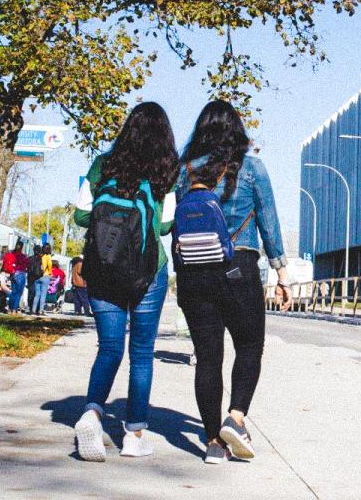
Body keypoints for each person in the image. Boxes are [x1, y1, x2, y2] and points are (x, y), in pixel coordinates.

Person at [175, 101, 292, 465]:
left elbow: (179, 224)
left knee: (208, 358)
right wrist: (281, 273)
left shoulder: (185, 172)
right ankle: (236, 418)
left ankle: (213, 442)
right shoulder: (252, 167)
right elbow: (269, 221)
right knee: (249, 346)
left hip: (194, 273)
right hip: (238, 267)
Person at [72, 102, 179, 461]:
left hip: (102, 267)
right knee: (142, 354)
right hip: (148, 271)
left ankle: (91, 412)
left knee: (109, 347)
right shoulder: (167, 170)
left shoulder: (103, 164)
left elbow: (81, 214)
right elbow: (165, 226)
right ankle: (134, 435)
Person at [2, 241, 29, 314]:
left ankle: (10, 309)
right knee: (18, 293)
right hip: (20, 274)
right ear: (22, 247)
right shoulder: (22, 256)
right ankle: (14, 309)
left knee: (13, 292)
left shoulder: (11, 254)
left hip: (12, 274)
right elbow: (26, 265)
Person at [31, 244, 53, 315]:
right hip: (45, 276)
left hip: (37, 277)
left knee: (37, 294)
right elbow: (49, 265)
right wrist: (50, 273)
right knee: (43, 295)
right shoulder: (48, 256)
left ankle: (33, 310)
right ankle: (40, 310)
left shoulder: (40, 255)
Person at [27, 244, 44, 314]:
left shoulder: (29, 258)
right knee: (38, 293)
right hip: (39, 277)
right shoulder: (42, 259)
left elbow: (27, 268)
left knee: (31, 293)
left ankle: (31, 308)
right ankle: (37, 309)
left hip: (30, 278)